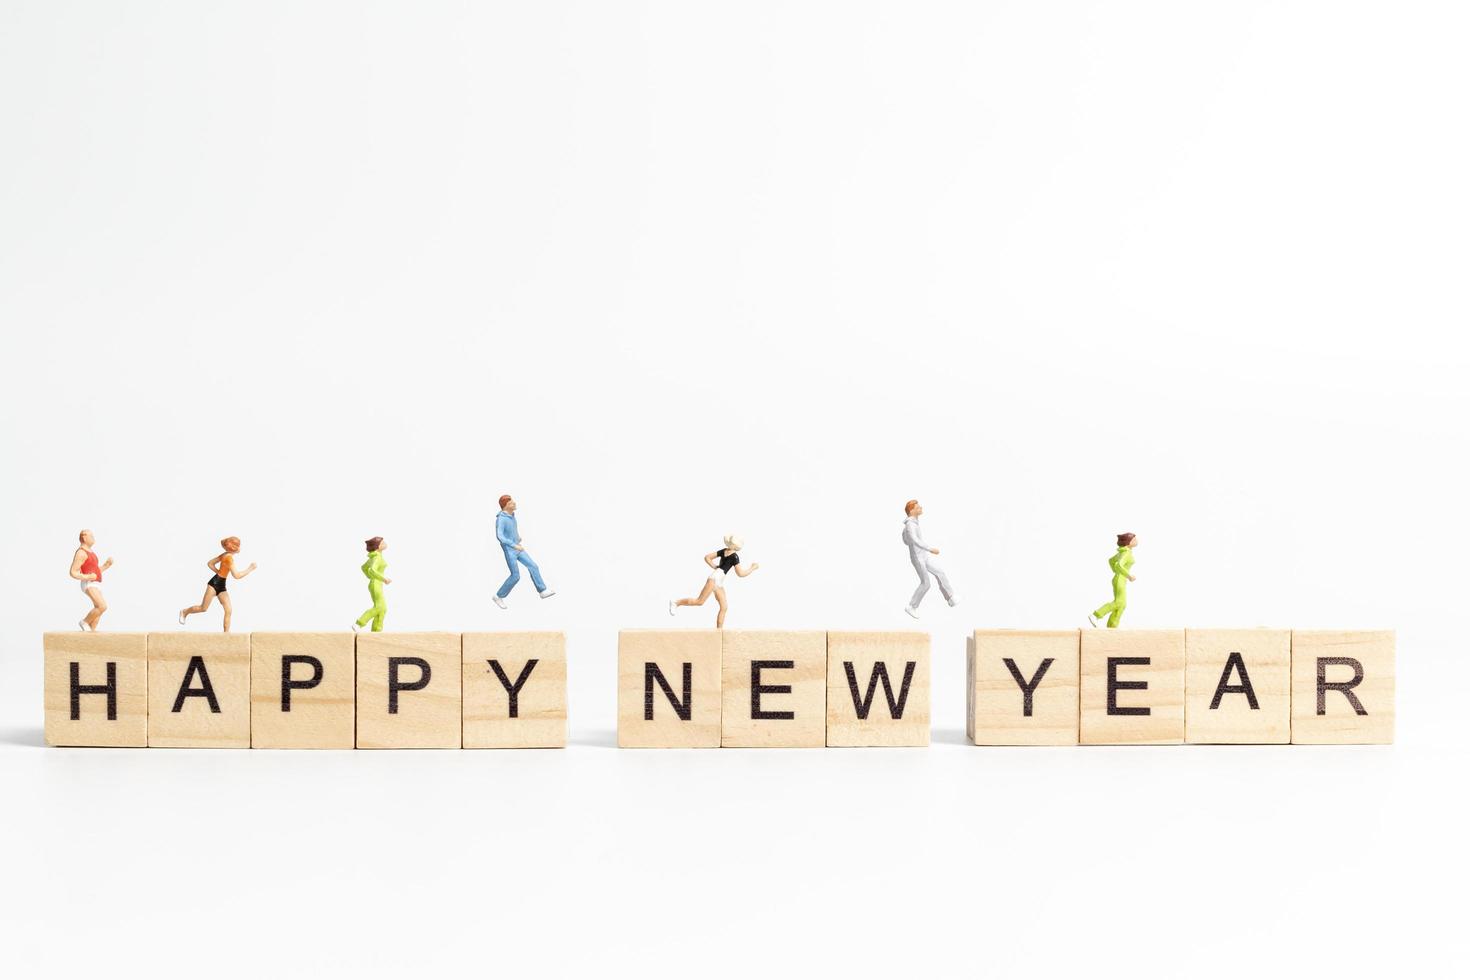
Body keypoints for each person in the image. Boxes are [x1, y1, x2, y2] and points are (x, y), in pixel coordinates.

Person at [669, 534, 759, 628]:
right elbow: (740, 574)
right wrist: (752, 568)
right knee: (699, 601)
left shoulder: (724, 550)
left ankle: (719, 632)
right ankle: (676, 602)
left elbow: (707, 557)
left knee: (724, 607)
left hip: (719, 581)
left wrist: (715, 567)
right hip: (714, 579)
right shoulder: (734, 556)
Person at [178, 536, 257, 632]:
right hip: (214, 584)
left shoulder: (225, 555)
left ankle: (226, 635)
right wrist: (250, 568)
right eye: (238, 545)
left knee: (228, 610)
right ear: (234, 547)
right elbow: (236, 575)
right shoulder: (229, 559)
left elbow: (210, 563)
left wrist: (219, 572)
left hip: (221, 584)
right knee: (203, 608)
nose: (240, 547)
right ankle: (184, 611)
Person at [492, 495, 554, 609]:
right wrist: (513, 544)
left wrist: (517, 538)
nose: (514, 503)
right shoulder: (501, 519)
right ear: (506, 506)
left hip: (517, 548)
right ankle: (498, 596)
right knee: (515, 576)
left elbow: (511, 531)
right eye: (511, 503)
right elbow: (500, 536)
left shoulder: (512, 515)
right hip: (510, 550)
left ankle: (542, 590)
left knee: (533, 566)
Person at [902, 500, 956, 619]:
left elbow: (906, 540)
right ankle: (912, 606)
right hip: (918, 558)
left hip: (924, 556)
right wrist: (930, 549)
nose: (921, 508)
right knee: (926, 584)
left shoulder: (913, 523)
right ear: (912, 511)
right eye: (918, 507)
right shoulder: (910, 525)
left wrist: (907, 538)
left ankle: (950, 597)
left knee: (939, 572)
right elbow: (915, 540)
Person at [1089, 533, 1138, 628]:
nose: (1137, 541)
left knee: (1122, 604)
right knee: (1119, 602)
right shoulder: (1126, 553)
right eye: (1134, 540)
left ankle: (1112, 627)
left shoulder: (1123, 552)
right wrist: (1129, 576)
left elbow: (1111, 560)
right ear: (1128, 542)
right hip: (1120, 579)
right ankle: (1096, 615)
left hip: (1120, 579)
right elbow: (1119, 565)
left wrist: (1116, 572)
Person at [69, 529, 113, 631]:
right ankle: (84, 622)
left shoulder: (91, 553)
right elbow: (73, 572)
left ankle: (91, 634)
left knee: (99, 610)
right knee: (102, 606)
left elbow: (95, 571)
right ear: (84, 537)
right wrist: (88, 577)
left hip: (96, 583)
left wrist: (106, 565)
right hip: (89, 583)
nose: (94, 537)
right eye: (91, 536)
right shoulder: (81, 553)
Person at [354, 536, 391, 632]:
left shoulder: (374, 556)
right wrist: (384, 578)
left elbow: (364, 567)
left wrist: (370, 576)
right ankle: (359, 623)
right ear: (378, 546)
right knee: (379, 606)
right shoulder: (377, 557)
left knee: (383, 608)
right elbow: (372, 570)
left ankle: (376, 631)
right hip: (376, 584)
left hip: (376, 584)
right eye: (382, 543)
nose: (385, 544)